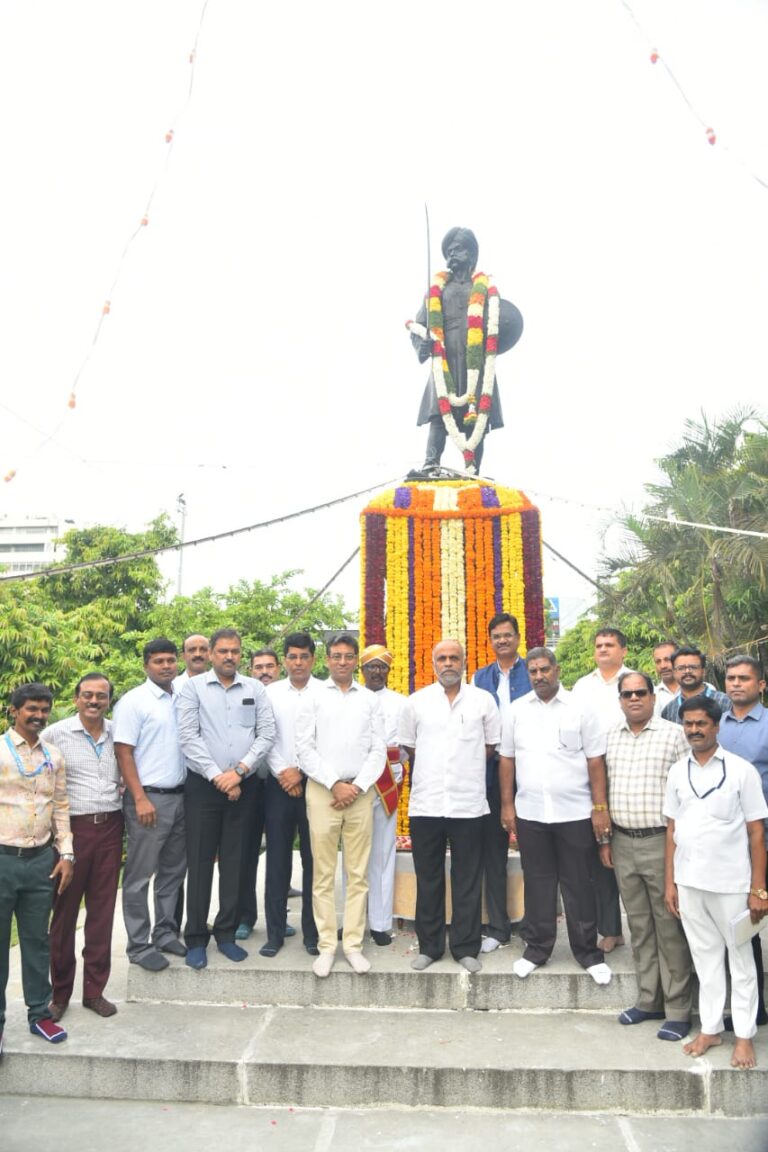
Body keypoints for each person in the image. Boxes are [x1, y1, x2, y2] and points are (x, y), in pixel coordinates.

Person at [664, 695, 768, 1069]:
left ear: (716, 725)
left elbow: (757, 832)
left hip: (732, 885)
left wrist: (759, 889)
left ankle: (744, 1036)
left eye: (701, 723)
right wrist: (671, 882)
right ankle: (710, 1029)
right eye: (688, 724)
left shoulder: (741, 771)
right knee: (705, 959)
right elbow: (672, 828)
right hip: (690, 882)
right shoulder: (677, 772)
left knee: (741, 962)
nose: (694, 730)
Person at [499, 648, 612, 985]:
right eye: (533, 671)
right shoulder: (516, 711)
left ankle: (588, 953)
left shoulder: (581, 707)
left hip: (575, 812)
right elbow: (507, 760)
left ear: (557, 670)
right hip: (531, 812)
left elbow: (595, 760)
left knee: (579, 884)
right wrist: (507, 806)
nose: (539, 676)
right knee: (538, 883)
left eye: (544, 669)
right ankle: (537, 949)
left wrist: (600, 809)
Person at [399, 639, 500, 974]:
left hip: (468, 805)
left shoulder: (483, 701)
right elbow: (410, 747)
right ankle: (430, 947)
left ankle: (465, 948)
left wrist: (463, 768)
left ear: (464, 661)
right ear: (433, 663)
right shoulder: (416, 702)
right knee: (428, 878)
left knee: (467, 879)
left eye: (454, 657)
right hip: (426, 804)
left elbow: (490, 746)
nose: (448, 663)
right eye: (441, 658)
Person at [602, 671, 693, 1040]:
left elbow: (688, 793)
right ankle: (648, 1000)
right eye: (627, 694)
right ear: (620, 700)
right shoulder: (611, 737)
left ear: (653, 698)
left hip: (661, 842)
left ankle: (678, 1010)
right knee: (639, 927)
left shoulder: (674, 736)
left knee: (669, 927)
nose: (634, 699)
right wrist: (605, 841)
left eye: (641, 693)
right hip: (622, 841)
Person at [178, 628, 275, 969]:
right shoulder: (192, 688)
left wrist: (240, 772)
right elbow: (188, 737)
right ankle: (195, 938)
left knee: (235, 863)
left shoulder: (254, 689)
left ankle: (226, 934)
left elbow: (266, 734)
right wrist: (219, 777)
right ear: (211, 654)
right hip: (204, 787)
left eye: (234, 651)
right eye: (222, 651)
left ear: (240, 654)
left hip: (243, 787)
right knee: (200, 863)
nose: (229, 656)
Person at [296, 633, 385, 978]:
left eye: (349, 656)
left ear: (356, 660)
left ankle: (353, 945)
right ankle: (326, 946)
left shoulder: (369, 699)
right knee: (323, 873)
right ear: (327, 659)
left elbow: (378, 749)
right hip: (323, 792)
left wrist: (357, 786)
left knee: (357, 873)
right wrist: (334, 783)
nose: (343, 662)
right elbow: (304, 749)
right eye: (336, 656)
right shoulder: (313, 697)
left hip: (361, 793)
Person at [409, 226, 523, 473]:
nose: (451, 254)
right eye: (448, 251)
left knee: (477, 415)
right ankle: (431, 462)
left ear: (470, 253)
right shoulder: (437, 290)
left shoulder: (485, 290)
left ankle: (473, 470)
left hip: (475, 361)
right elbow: (419, 327)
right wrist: (422, 345)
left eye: (457, 249)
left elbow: (500, 323)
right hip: (445, 360)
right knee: (438, 415)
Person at [43, 673, 123, 1021]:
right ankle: (60, 994)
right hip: (71, 831)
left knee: (102, 912)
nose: (94, 701)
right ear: (76, 698)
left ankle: (94, 991)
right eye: (87, 695)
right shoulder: (56, 734)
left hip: (111, 827)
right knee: (64, 914)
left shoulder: (119, 732)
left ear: (109, 700)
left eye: (101, 696)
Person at [0, 683, 73, 1050]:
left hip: (41, 861)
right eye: (31, 708)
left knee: (37, 942)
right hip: (2, 860)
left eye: (44, 709)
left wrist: (67, 855)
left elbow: (60, 806)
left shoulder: (53, 755)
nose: (39, 716)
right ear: (14, 711)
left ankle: (39, 1015)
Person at [113, 638, 187, 972]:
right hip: (148, 800)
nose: (166, 666)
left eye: (170, 660)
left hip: (181, 798)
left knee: (173, 872)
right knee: (140, 876)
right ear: (146, 665)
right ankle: (139, 945)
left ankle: (165, 932)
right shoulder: (134, 702)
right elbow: (123, 752)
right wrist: (139, 797)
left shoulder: (182, 697)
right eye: (159, 661)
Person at [472, 613, 531, 952]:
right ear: (491, 641)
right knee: (493, 853)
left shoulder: (534, 671)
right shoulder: (480, 677)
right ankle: (497, 928)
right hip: (492, 774)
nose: (503, 640)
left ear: (518, 638)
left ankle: (534, 925)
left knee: (535, 853)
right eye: (497, 636)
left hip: (531, 771)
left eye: (508, 635)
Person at [260, 632, 320, 958]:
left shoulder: (324, 693)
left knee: (315, 862)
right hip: (278, 786)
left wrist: (302, 772)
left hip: (315, 785)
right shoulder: (269, 694)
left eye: (304, 657)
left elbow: (325, 740)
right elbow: (264, 737)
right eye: (293, 657)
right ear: (284, 660)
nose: (298, 663)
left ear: (313, 659)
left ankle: (312, 933)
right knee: (277, 861)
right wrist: (284, 772)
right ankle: (275, 933)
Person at [570, 627, 630, 953]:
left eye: (609, 645)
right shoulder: (583, 686)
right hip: (592, 775)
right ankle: (610, 929)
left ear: (623, 651)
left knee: (629, 852)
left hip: (629, 772)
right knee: (600, 854)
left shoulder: (634, 682)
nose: (603, 649)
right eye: (598, 645)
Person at [718, 654, 768, 1029]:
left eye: (744, 678)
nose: (736, 683)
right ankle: (752, 1009)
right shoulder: (715, 724)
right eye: (731, 678)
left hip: (763, 835)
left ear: (761, 685)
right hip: (726, 843)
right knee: (741, 925)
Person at [359, 645, 407, 946]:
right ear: (362, 670)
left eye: (382, 667)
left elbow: (407, 746)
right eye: (371, 666)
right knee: (354, 855)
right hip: (355, 784)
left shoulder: (403, 703)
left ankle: (379, 923)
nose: (376, 672)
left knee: (382, 853)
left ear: (389, 671)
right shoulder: (351, 698)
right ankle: (353, 922)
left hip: (387, 782)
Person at [660, 646, 730, 725]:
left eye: (693, 667)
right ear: (674, 672)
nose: (687, 671)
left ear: (703, 671)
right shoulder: (669, 710)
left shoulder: (724, 702)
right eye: (681, 668)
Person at [651, 641, 679, 716]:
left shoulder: (702, 690)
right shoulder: (652, 696)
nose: (663, 666)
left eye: (667, 660)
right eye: (658, 661)